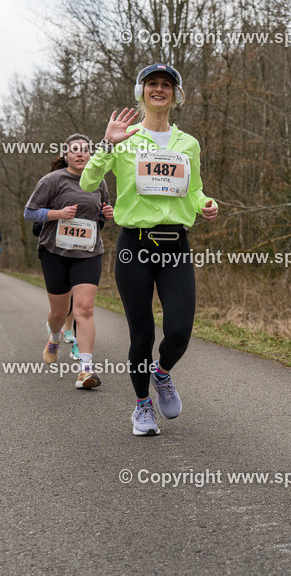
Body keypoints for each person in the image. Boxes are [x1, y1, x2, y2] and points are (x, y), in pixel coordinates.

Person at [80, 63, 218, 435]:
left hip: (176, 246)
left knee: (178, 332)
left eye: (167, 85)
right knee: (141, 335)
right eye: (152, 84)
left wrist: (205, 204)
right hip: (134, 248)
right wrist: (108, 144)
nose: (160, 89)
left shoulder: (187, 144)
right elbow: (88, 180)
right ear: (141, 92)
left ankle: (162, 374)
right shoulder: (126, 137)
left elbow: (194, 191)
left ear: (176, 94)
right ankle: (142, 406)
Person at [25, 134, 113, 389]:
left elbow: (99, 217)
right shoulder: (52, 180)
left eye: (85, 150)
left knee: (84, 309)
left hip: (88, 252)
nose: (80, 154)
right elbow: (29, 212)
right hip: (55, 253)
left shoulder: (98, 181)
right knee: (59, 312)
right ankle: (54, 336)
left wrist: (106, 213)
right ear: (66, 155)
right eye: (74, 150)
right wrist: (58, 214)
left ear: (90, 154)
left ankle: (86, 370)